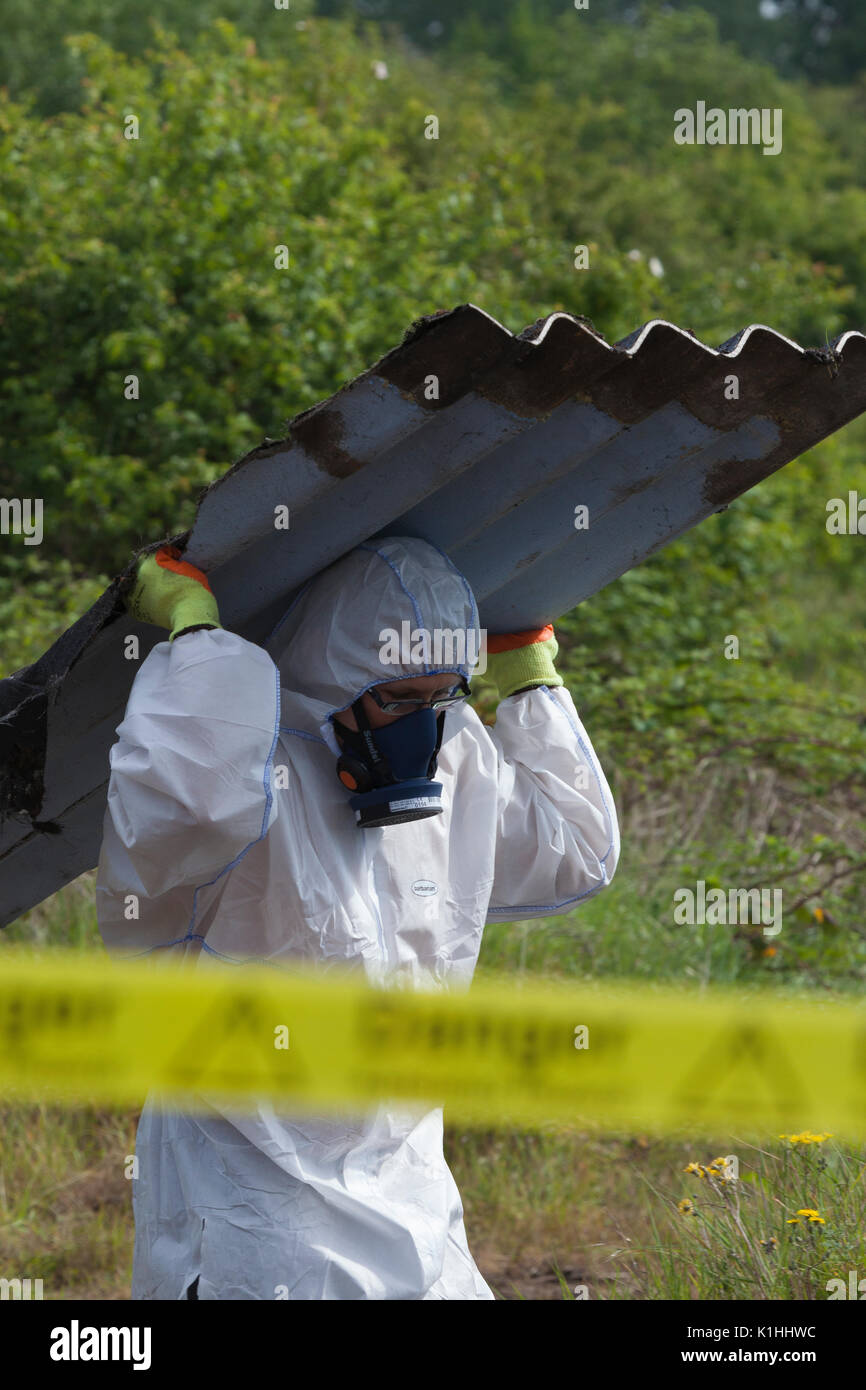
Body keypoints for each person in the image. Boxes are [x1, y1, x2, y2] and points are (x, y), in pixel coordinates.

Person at [96, 534, 620, 1300]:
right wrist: (199, 636)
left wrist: (528, 681)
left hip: (413, 1198)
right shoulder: (251, 775)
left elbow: (576, 852)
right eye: (398, 699)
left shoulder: (452, 762)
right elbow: (189, 798)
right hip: (261, 1217)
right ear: (334, 673)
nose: (423, 726)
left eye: (443, 696)